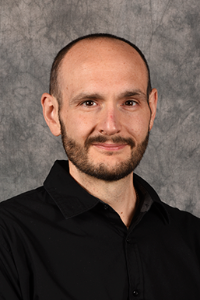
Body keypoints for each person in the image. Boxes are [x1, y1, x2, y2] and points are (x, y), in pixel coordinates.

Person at [0, 33, 200, 300]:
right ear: (52, 114)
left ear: (151, 109)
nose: (111, 125)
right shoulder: (7, 237)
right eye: (89, 103)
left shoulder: (194, 238)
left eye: (129, 102)